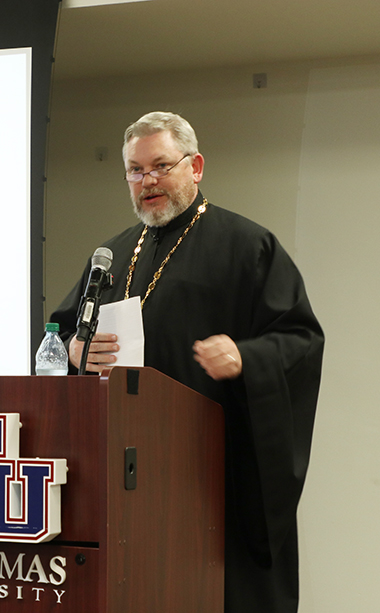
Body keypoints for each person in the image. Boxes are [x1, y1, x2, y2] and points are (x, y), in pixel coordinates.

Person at [50, 111, 324, 613]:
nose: (147, 181)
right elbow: (60, 333)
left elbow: (301, 339)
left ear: (195, 166)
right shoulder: (109, 256)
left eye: (160, 166)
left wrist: (247, 355)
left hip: (212, 475)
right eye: (135, 170)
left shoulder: (247, 245)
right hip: (124, 472)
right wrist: (73, 349)